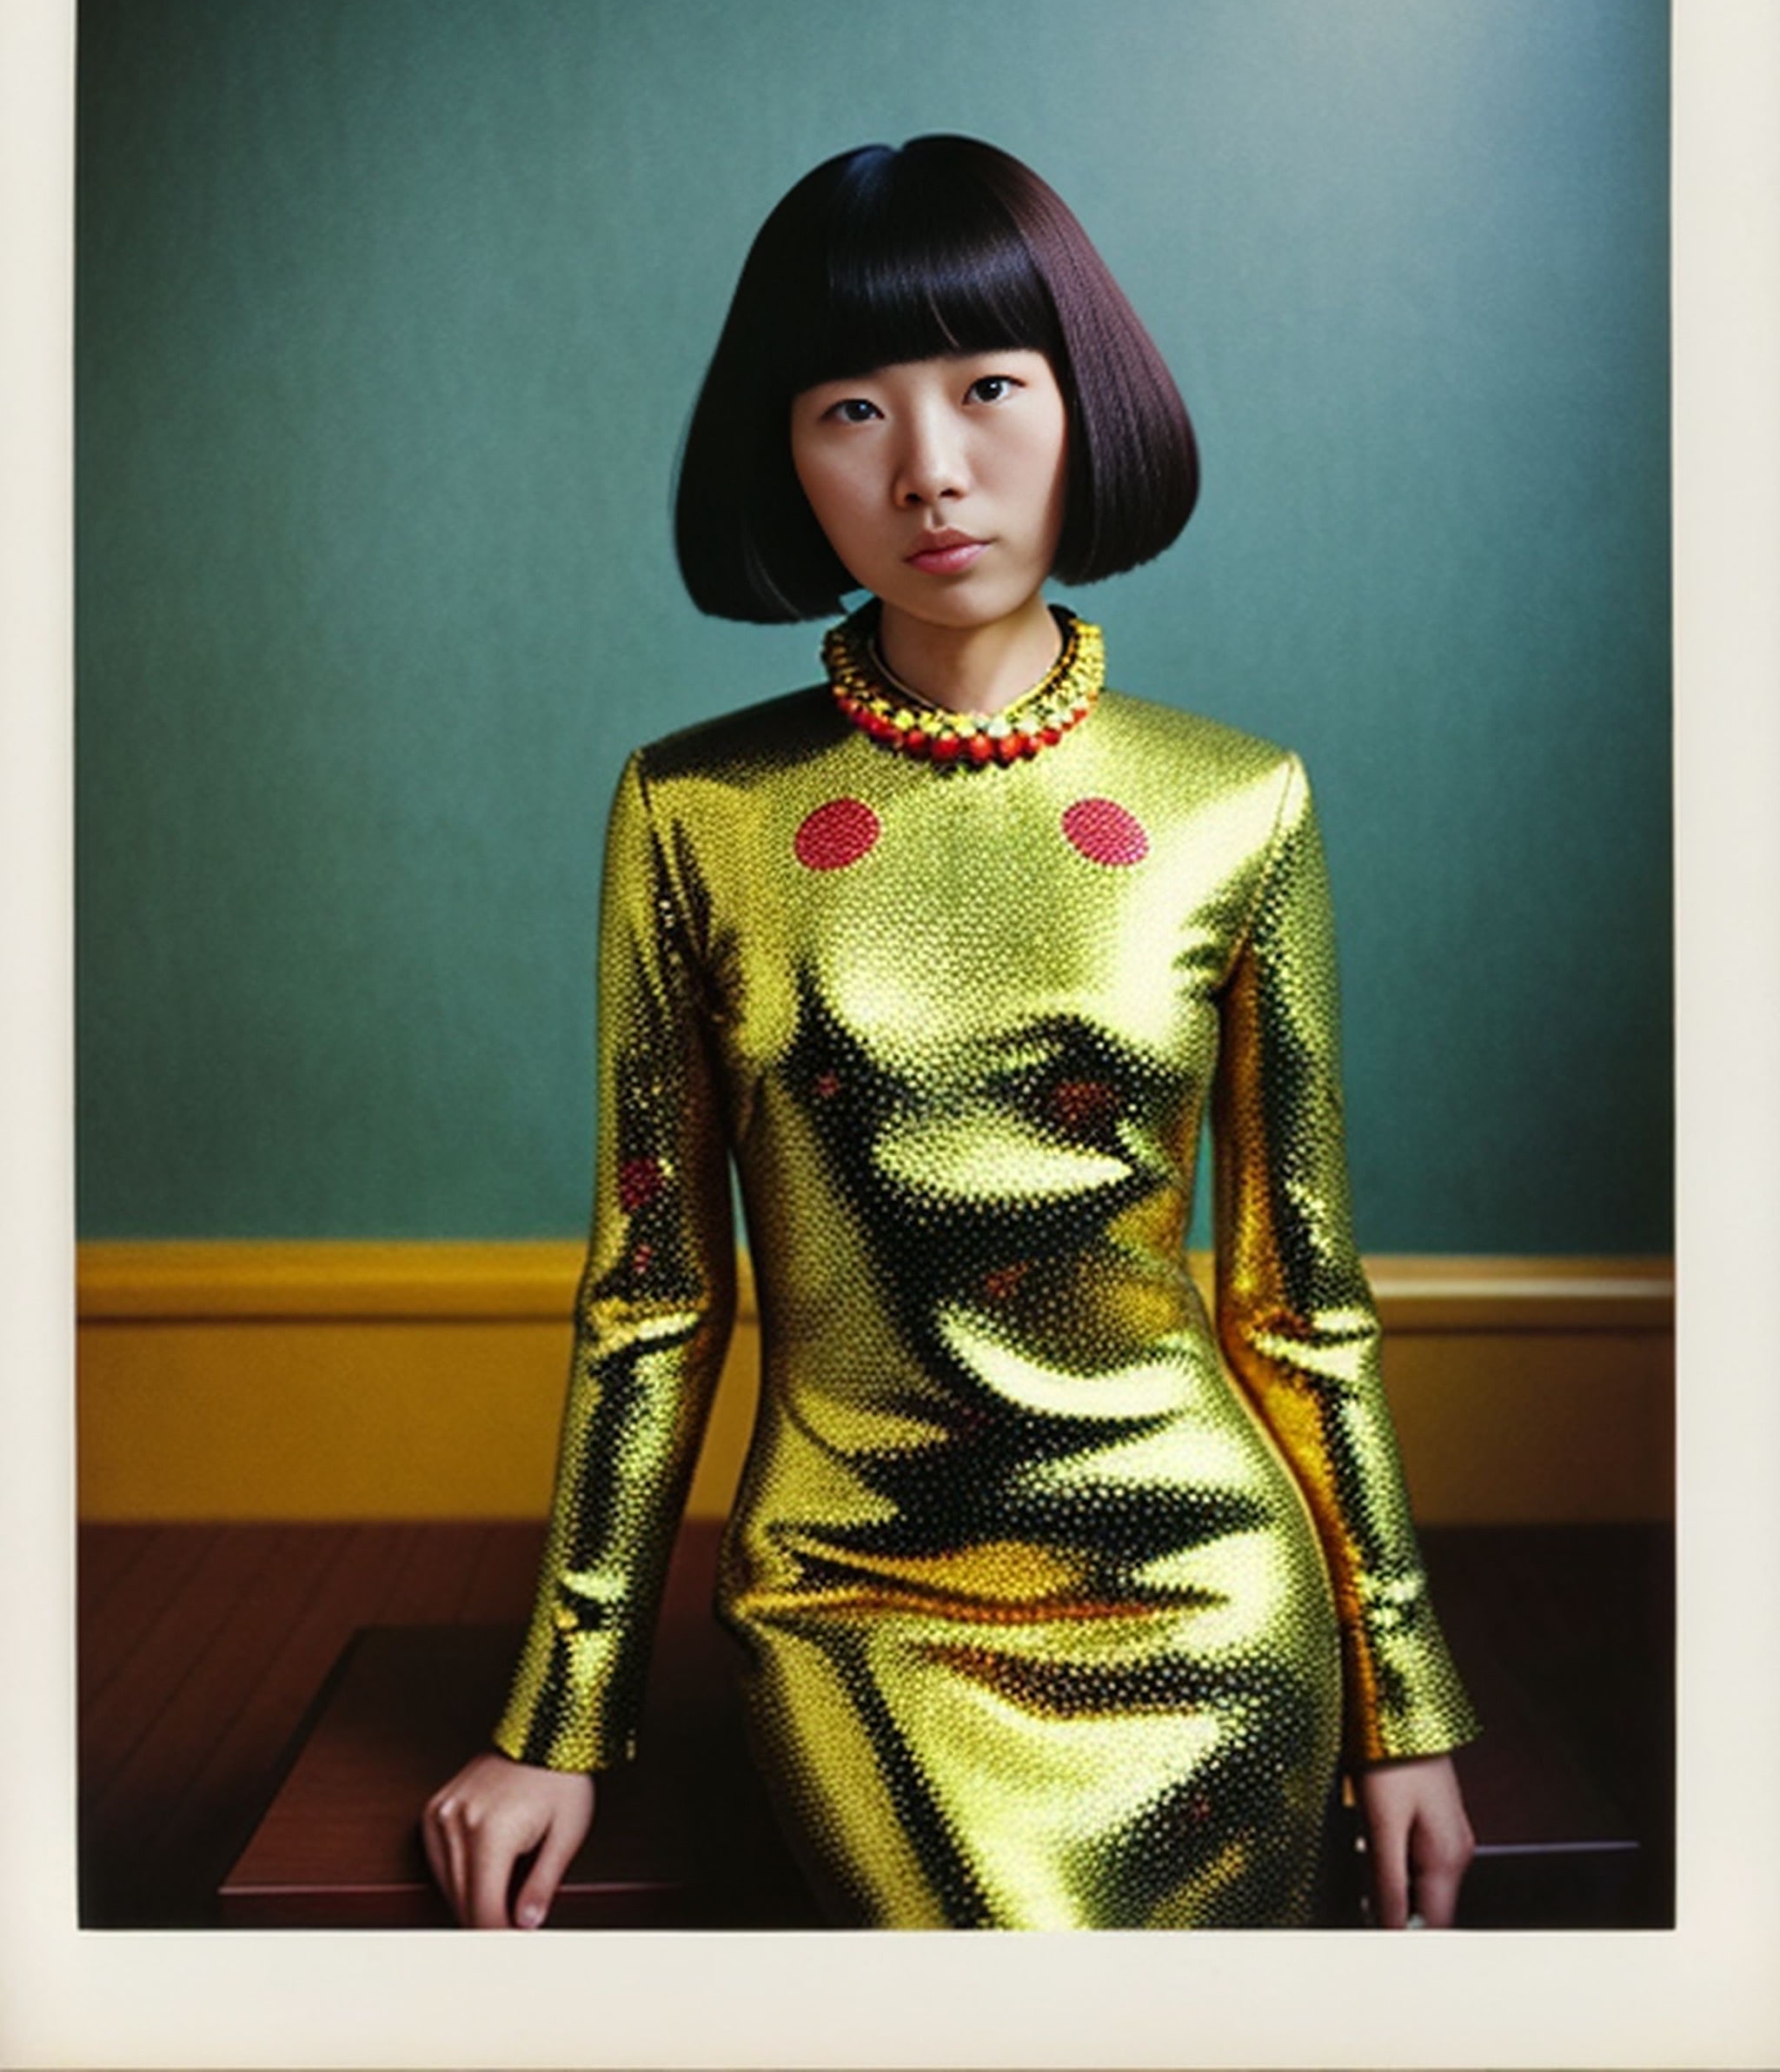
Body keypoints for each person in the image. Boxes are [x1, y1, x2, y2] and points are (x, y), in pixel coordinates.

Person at [422, 135, 1478, 1931]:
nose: (928, 467)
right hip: (854, 1591)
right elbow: (654, 1294)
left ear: (1086, 404)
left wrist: (1405, 1699)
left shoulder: (1239, 803)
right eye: (851, 409)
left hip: (1207, 1584)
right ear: (783, 453)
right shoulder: (697, 811)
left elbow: (1301, 1296)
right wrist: (560, 1718)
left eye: (989, 385)